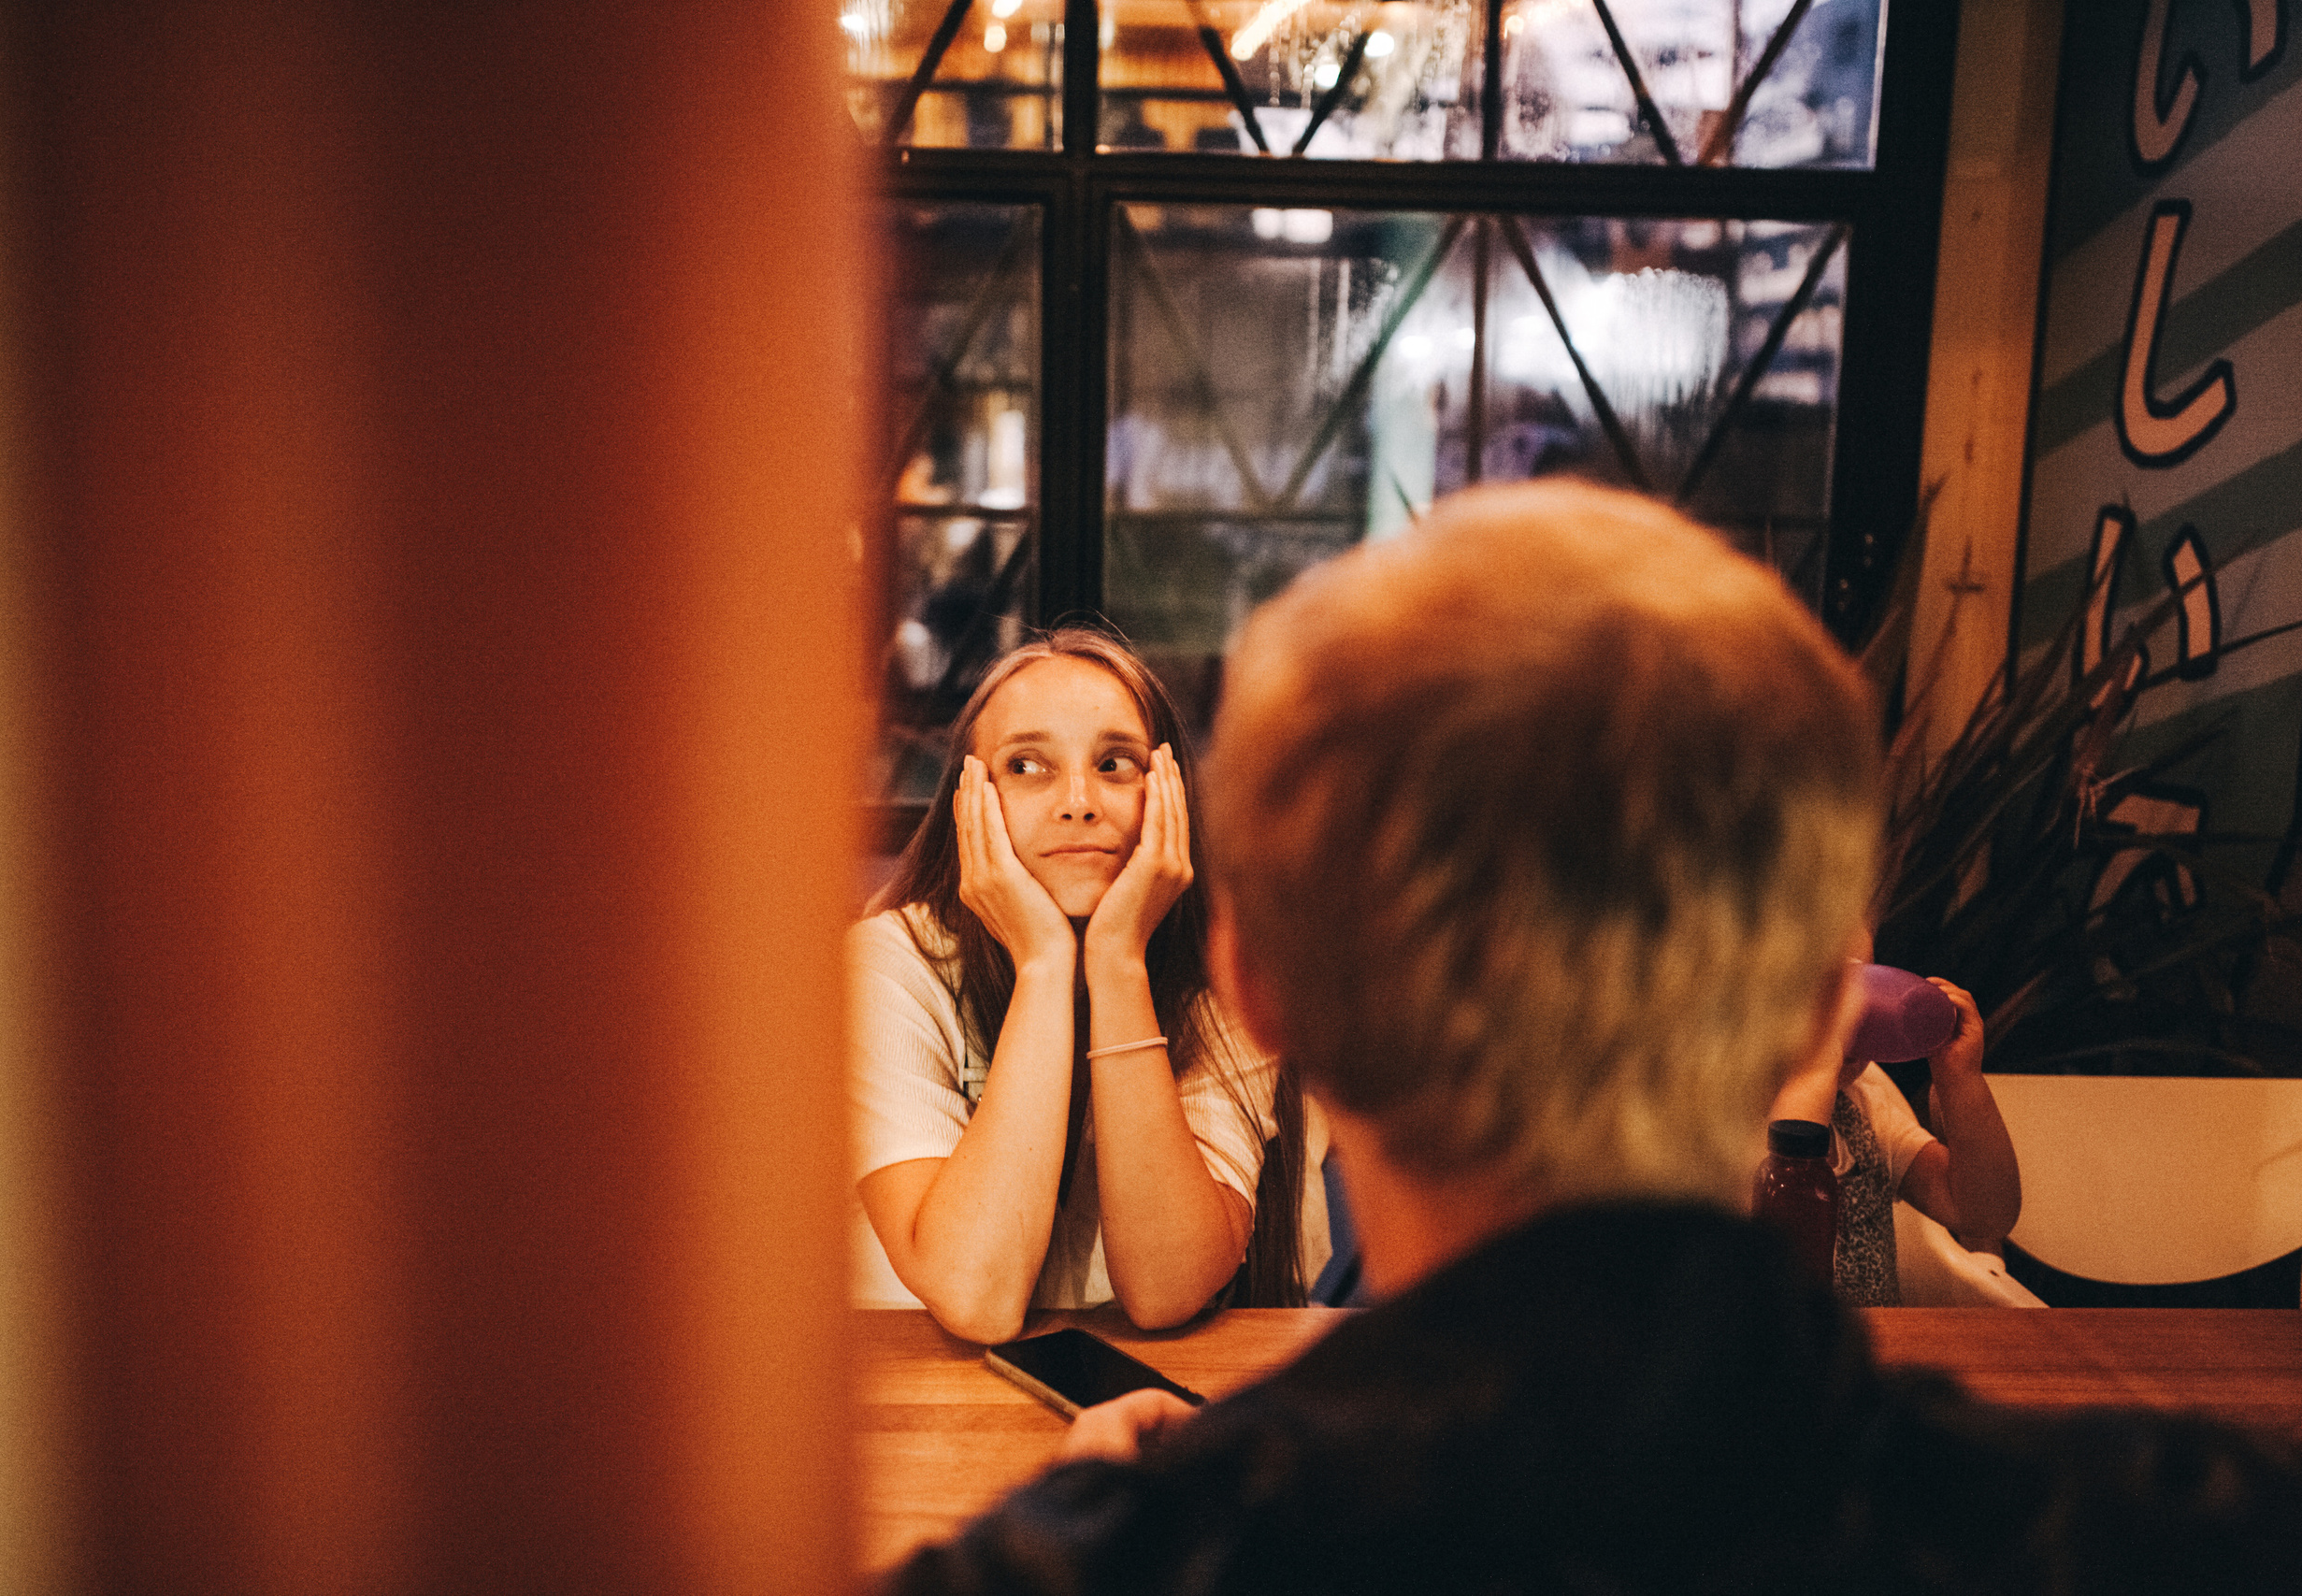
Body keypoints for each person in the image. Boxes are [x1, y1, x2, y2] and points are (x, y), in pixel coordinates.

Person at [886, 482, 2301, 1593]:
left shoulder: (1088, 1565)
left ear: (1259, 985)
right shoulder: (2182, 1535)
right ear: (1820, 1008)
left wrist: (1130, 1514)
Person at [849, 629, 1314, 1344]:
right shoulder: (890, 962)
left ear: (1168, 794)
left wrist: (1119, 958)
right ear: (970, 799)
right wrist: (1042, 962)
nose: (1078, 802)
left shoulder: (1222, 978)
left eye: (1114, 762)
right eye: (1028, 764)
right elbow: (977, 1294)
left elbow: (1166, 1289)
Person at [1769, 971, 2021, 1304]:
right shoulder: (1716, 1122)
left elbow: (1984, 1216)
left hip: (1875, 1346)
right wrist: (1813, 1073)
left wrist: (1960, 1077)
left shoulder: (1866, 1106)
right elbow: (1782, 1267)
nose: (1851, 1013)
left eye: (1866, 982)